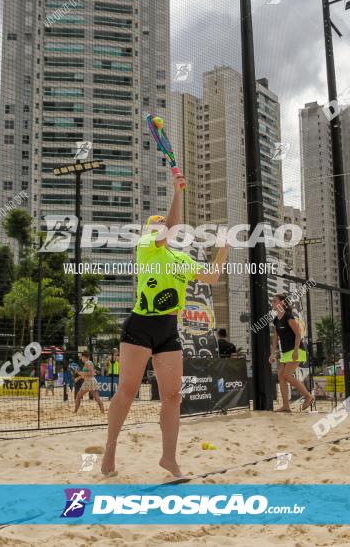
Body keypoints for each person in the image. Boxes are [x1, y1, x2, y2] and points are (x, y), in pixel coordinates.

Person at [102, 172, 230, 478]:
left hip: (168, 331)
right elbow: (171, 227)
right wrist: (177, 192)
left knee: (173, 396)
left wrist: (224, 249)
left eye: (163, 221)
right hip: (140, 326)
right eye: (156, 221)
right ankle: (110, 448)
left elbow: (211, 278)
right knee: (128, 391)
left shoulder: (182, 259)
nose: (161, 223)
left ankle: (169, 459)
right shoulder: (147, 246)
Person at [270, 293, 314, 412]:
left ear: (282, 303)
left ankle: (308, 396)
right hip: (286, 352)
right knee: (281, 377)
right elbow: (275, 338)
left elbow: (298, 333)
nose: (272, 303)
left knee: (287, 375)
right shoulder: (276, 320)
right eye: (272, 301)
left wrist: (295, 350)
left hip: (297, 350)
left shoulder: (288, 316)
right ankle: (286, 406)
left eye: (275, 301)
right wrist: (272, 354)